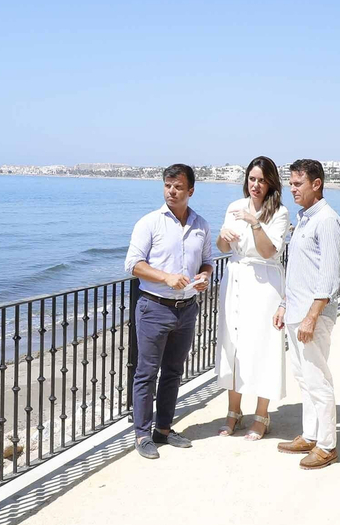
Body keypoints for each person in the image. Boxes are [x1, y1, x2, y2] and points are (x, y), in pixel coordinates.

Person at [125, 164, 215, 460]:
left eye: (178, 187)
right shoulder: (149, 223)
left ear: (190, 191)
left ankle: (163, 430)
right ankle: (142, 435)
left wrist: (204, 278)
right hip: (154, 307)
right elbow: (133, 265)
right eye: (167, 186)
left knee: (173, 372)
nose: (172, 192)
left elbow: (207, 262)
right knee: (146, 373)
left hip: (187, 309)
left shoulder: (201, 225)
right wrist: (166, 277)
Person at [274, 159, 340, 470]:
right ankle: (311, 435)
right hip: (297, 312)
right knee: (304, 377)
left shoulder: (327, 221)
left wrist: (311, 316)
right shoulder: (305, 219)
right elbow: (300, 272)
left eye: (297, 184)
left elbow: (329, 276)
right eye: (290, 184)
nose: (292, 189)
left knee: (317, 379)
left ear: (316, 184)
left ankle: (327, 445)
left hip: (312, 317)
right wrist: (285, 304)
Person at [215, 157, 291, 439]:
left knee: (262, 345)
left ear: (270, 182)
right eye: (251, 179)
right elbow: (223, 246)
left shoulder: (279, 212)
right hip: (236, 278)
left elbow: (269, 251)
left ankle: (262, 414)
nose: (255, 185)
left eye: (261, 180)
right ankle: (233, 411)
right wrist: (222, 236)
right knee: (232, 344)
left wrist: (255, 223)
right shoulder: (234, 206)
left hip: (265, 282)